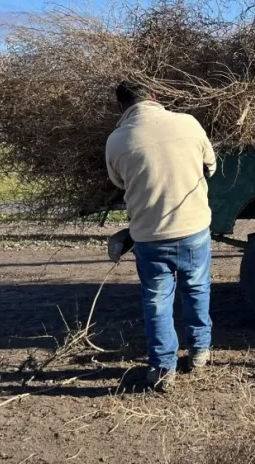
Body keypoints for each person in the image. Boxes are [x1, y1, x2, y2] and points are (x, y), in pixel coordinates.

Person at [105, 80, 217, 391]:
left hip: (149, 237)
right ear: (154, 97)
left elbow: (119, 183)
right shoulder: (189, 123)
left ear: (122, 107)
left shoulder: (116, 141)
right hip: (194, 228)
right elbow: (211, 166)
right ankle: (199, 354)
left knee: (156, 302)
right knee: (196, 289)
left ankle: (163, 368)